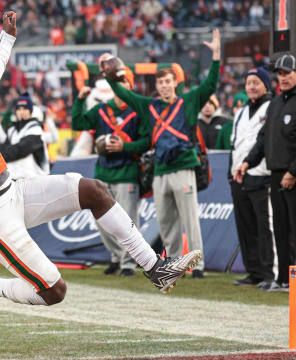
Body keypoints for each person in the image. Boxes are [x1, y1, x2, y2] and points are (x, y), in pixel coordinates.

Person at [0, 11, 202, 306]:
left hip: (13, 188)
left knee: (93, 190)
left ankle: (156, 268)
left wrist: (7, 38)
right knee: (54, 292)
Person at [105, 29, 221, 278]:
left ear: (175, 83)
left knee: (190, 220)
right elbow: (124, 93)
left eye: (168, 81)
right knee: (167, 223)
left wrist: (216, 58)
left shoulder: (188, 101)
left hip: (183, 168)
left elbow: (210, 84)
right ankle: (176, 266)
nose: (165, 86)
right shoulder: (149, 106)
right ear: (157, 87)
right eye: (160, 83)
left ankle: (197, 266)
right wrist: (109, 75)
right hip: (160, 170)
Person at [235, 54, 296, 291]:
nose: (282, 78)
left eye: (287, 73)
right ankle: (284, 278)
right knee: (281, 227)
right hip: (275, 173)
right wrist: (247, 162)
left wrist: (294, 171)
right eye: (279, 74)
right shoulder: (276, 103)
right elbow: (264, 139)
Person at [72, 56, 143, 277]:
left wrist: (125, 146)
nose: (123, 88)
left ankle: (128, 263)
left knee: (128, 221)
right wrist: (80, 100)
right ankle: (115, 257)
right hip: (103, 171)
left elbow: (146, 142)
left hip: (127, 172)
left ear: (130, 87)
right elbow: (78, 123)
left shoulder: (137, 112)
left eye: (126, 84)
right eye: (119, 84)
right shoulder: (102, 110)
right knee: (103, 221)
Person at [231, 67, 276, 287]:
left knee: (265, 227)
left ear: (266, 85)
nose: (251, 86)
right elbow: (235, 144)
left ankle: (270, 272)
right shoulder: (240, 112)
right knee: (246, 227)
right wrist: (232, 171)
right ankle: (254, 271)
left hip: (262, 174)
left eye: (256, 82)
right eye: (249, 82)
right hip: (238, 177)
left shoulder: (272, 106)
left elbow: (263, 143)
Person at [0, 93, 49, 179]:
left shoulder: (36, 129)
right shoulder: (12, 130)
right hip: (15, 179)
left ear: (30, 111)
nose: (21, 112)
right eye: (18, 109)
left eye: (25, 109)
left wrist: (3, 153)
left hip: (35, 179)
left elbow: (20, 150)